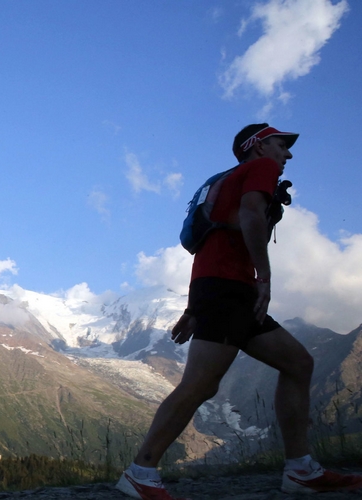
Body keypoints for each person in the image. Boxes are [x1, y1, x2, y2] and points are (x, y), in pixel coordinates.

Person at [116, 124, 362, 499]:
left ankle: (300, 470)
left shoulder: (224, 181)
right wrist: (264, 275)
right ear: (259, 145)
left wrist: (195, 306)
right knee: (200, 383)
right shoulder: (259, 168)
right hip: (231, 288)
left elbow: (210, 243)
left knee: (298, 363)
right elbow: (250, 213)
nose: (288, 155)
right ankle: (140, 471)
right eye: (282, 145)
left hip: (224, 289)